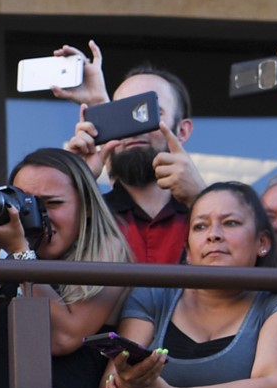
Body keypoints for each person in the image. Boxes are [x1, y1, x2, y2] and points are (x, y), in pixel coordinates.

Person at [100, 182, 277, 388]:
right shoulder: (154, 295)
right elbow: (110, 381)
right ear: (188, 251)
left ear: (262, 242)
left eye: (230, 223)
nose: (213, 235)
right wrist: (124, 385)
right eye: (200, 226)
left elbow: (276, 387)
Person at [0, 147, 132, 388]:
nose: (39, 215)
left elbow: (64, 338)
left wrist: (19, 252)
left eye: (53, 203)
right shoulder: (15, 261)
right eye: (27, 204)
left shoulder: (107, 252)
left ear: (88, 207)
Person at [63, 55, 202, 266]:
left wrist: (200, 197)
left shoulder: (206, 217)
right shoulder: (87, 217)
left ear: (182, 130)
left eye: (150, 112)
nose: (135, 128)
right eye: (123, 114)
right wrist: (73, 180)